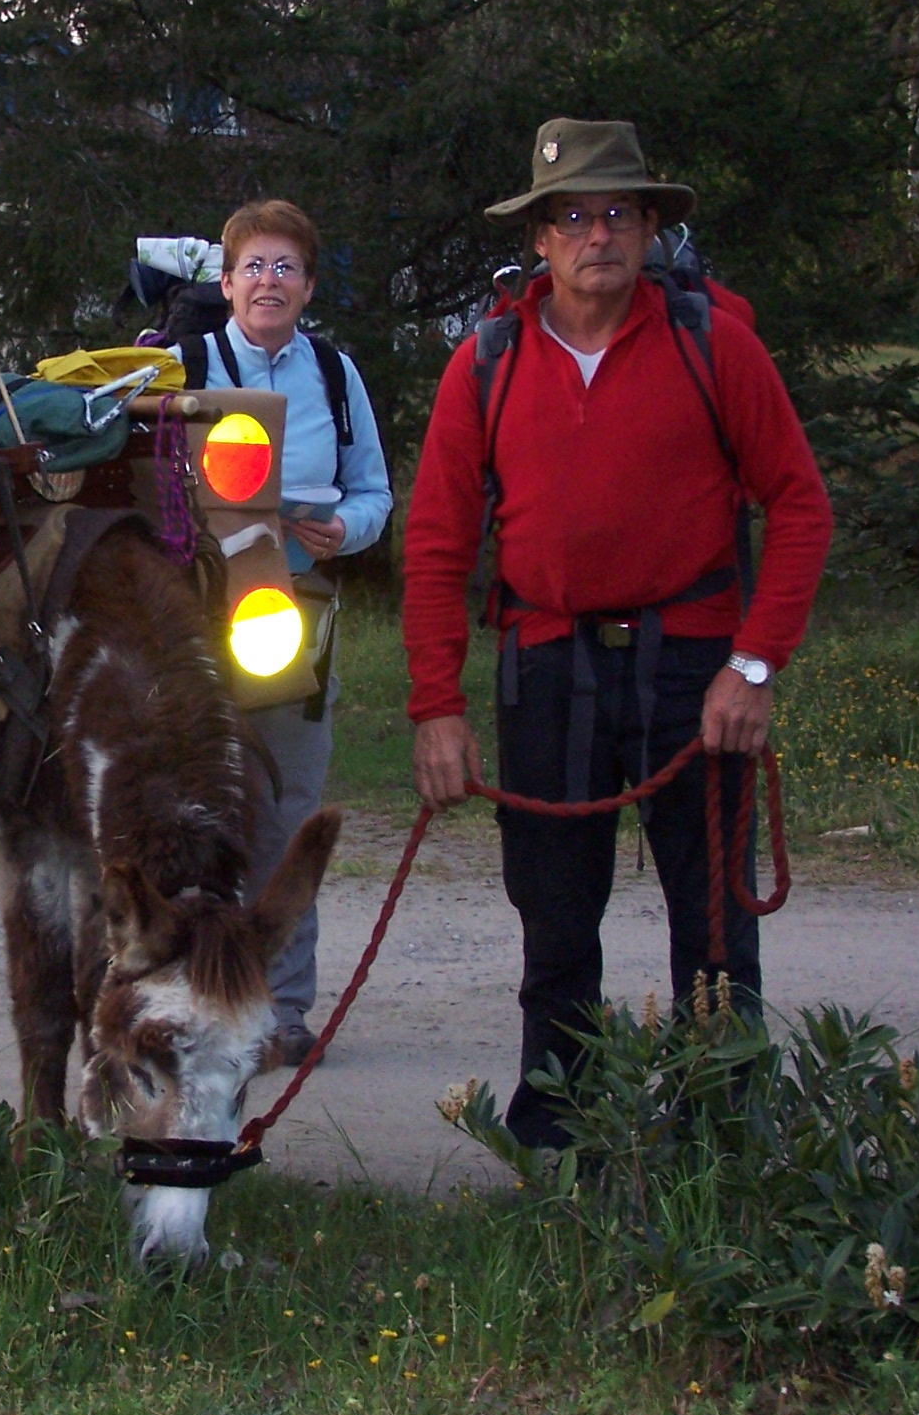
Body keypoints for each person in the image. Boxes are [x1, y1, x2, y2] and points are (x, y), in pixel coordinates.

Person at [400, 119, 833, 1149]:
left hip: (696, 666)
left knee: (716, 928)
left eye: (618, 214)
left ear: (647, 229)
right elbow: (437, 543)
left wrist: (753, 665)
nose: (598, 234)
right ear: (540, 238)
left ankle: (721, 1144)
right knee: (554, 927)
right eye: (574, 217)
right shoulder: (487, 362)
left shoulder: (713, 343)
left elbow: (799, 504)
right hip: (547, 666)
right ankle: (559, 1147)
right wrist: (436, 707)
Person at [175, 199, 394, 1069]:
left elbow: (373, 492)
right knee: (186, 813)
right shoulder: (183, 365)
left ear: (308, 286)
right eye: (255, 266)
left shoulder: (335, 376)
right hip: (191, 614)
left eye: (287, 267)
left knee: (283, 810)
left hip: (294, 610)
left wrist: (347, 530)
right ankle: (188, 1000)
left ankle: (280, 1010)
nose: (271, 281)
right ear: (227, 283)